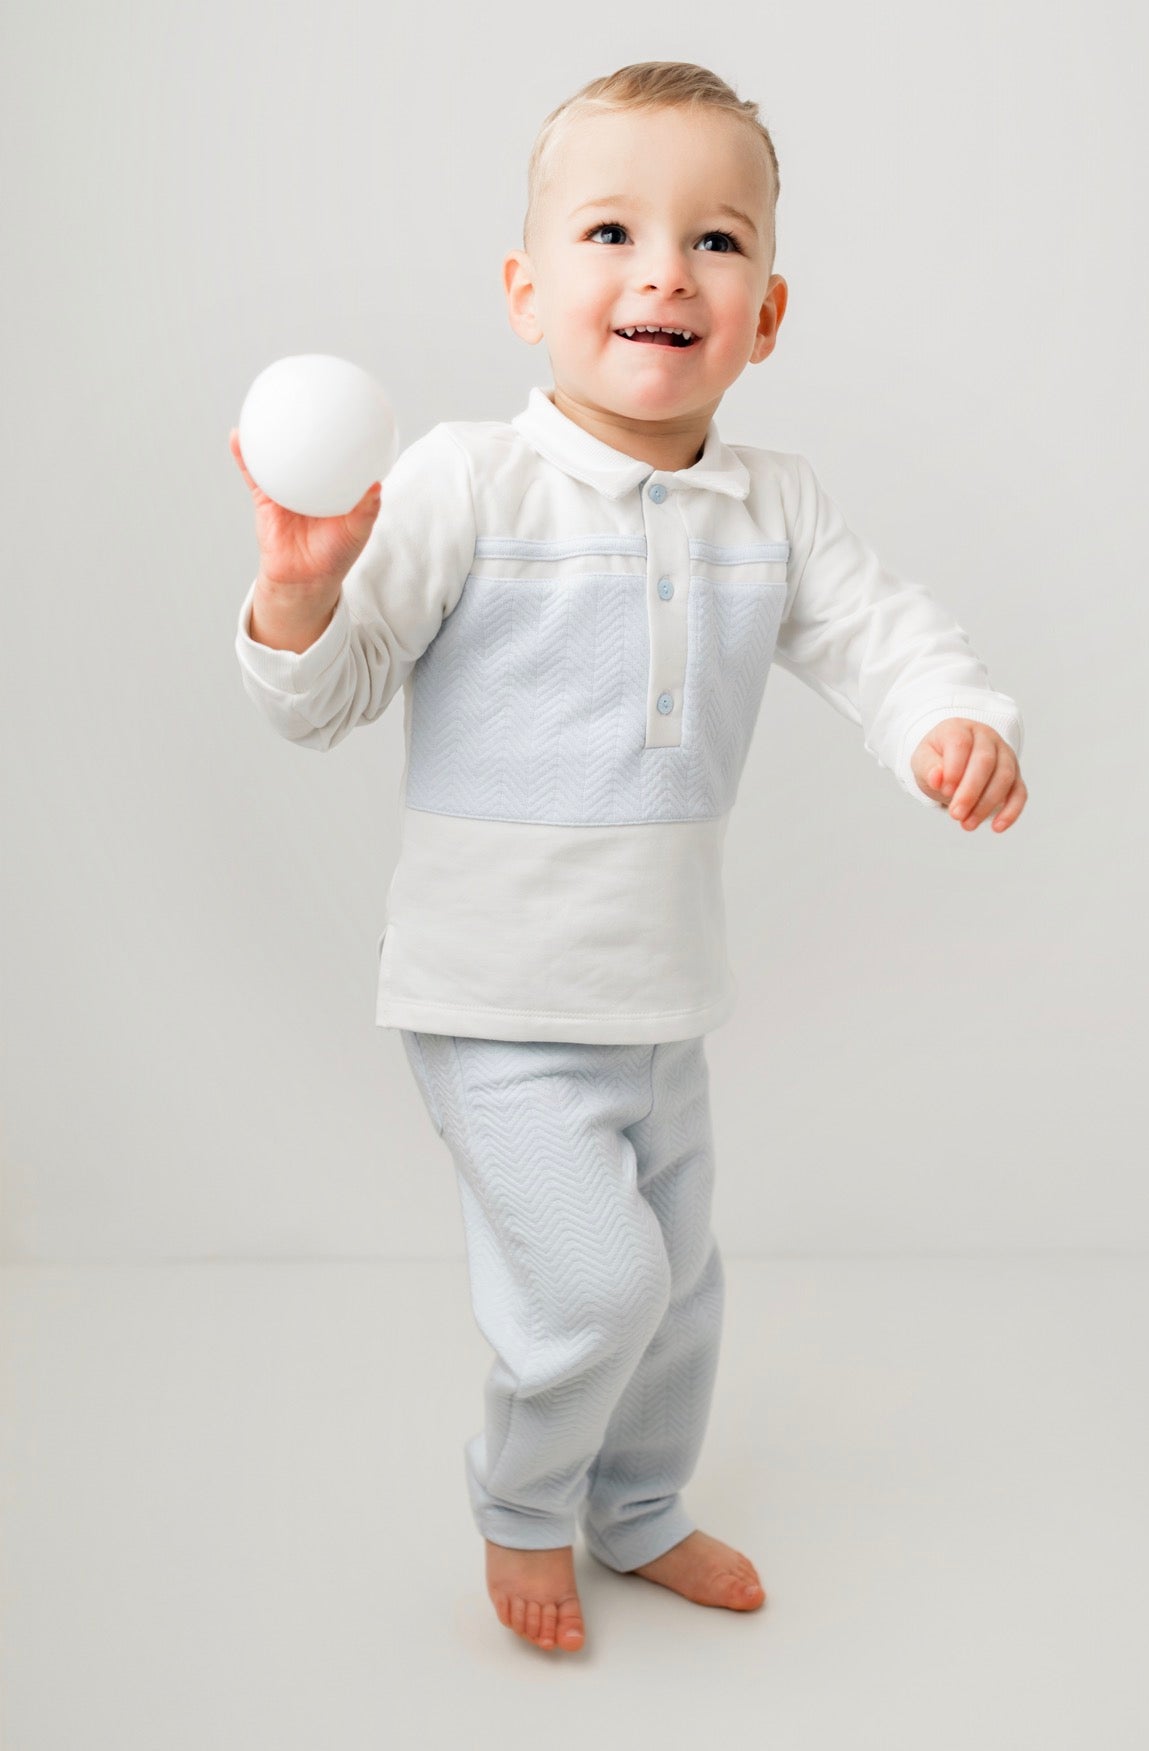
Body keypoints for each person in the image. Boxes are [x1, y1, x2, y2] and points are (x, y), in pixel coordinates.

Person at [229, 61, 1027, 1657]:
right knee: (598, 1291)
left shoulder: (771, 509)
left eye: (714, 241)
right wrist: (305, 595)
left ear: (767, 313)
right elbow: (330, 698)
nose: (665, 268)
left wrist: (949, 717)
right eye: (610, 230)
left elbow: (883, 636)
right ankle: (524, 1506)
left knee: (679, 1293)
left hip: (660, 999)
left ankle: (638, 1504)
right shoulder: (469, 480)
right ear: (528, 291)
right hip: (493, 999)